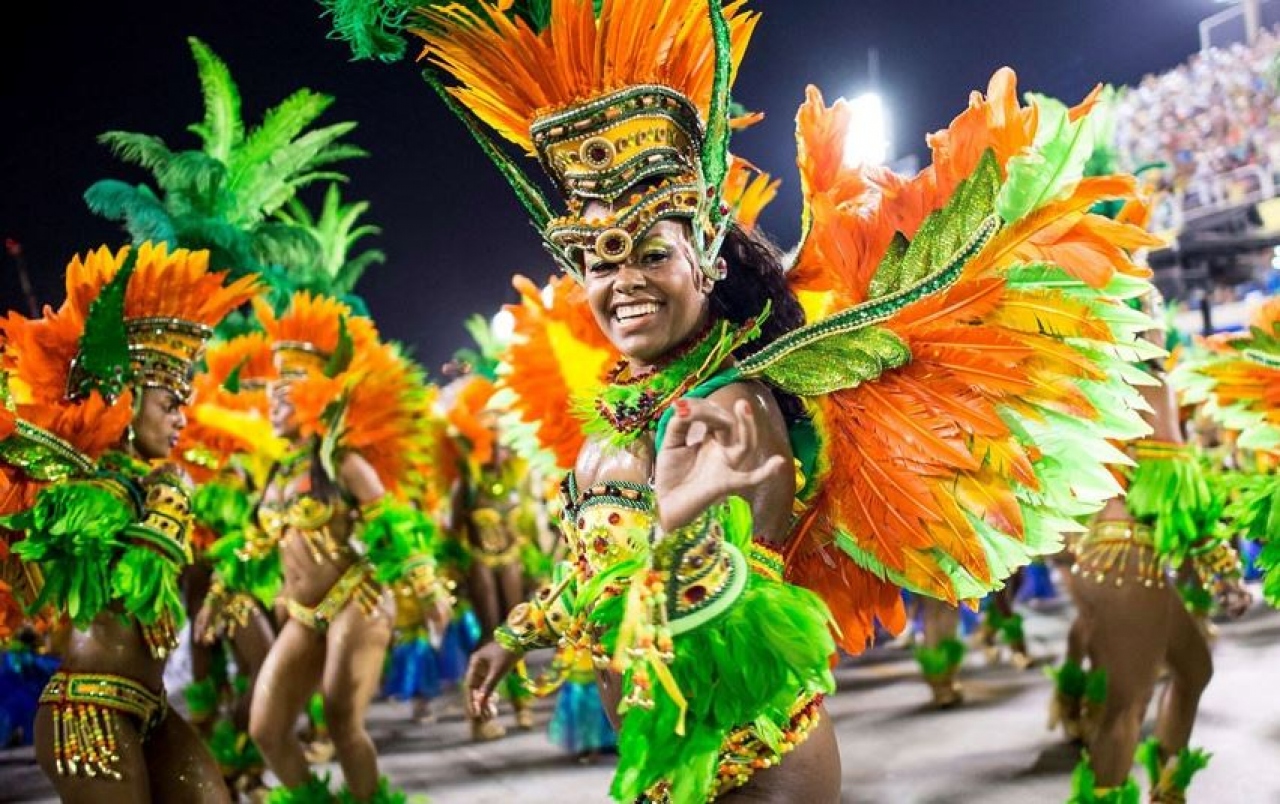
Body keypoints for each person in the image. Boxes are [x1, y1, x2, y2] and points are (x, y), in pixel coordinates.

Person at [326, 2, 1165, 800]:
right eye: (596, 261)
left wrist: (691, 545)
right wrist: (520, 633)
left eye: (649, 253)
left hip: (753, 759)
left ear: (706, 261)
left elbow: (762, 604)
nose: (622, 282)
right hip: (665, 756)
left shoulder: (729, 405)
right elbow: (600, 567)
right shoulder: (631, 402)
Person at [0, 242, 257, 803]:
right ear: (128, 398)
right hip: (89, 709)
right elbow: (126, 585)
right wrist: (164, 506)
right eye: (169, 402)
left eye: (185, 402)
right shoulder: (83, 490)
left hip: (151, 708)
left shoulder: (148, 485)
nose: (181, 418)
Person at [247, 292, 451, 803]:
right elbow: (254, 546)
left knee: (341, 718)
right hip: (302, 613)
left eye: (289, 386)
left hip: (356, 601)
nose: (274, 397)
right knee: (266, 729)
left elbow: (395, 525)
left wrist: (428, 591)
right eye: (273, 387)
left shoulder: (342, 462)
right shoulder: (277, 472)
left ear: (319, 394)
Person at [1062, 291, 1253, 802]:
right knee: (1126, 707)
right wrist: (1221, 568)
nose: (1155, 323)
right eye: (1145, 311)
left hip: (1114, 563)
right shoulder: (1146, 385)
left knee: (1194, 669)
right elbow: (1172, 491)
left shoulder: (1104, 385)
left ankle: (1168, 791)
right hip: (1128, 563)